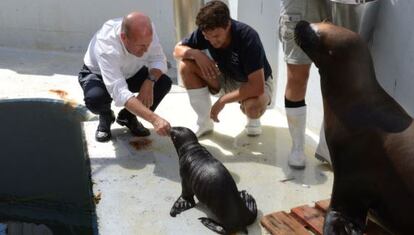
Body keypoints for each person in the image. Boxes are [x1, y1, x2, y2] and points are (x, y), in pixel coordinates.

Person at [174, 0, 274, 137]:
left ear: (228, 25)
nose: (212, 41)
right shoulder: (207, 31)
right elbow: (177, 50)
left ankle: (253, 119)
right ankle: (204, 122)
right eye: (207, 37)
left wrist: (223, 100)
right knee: (186, 64)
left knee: (252, 107)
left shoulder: (248, 37)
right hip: (226, 76)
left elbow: (257, 86)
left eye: (216, 36)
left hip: (254, 83)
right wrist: (196, 54)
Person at [78, 12, 172, 142]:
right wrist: (154, 119)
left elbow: (158, 59)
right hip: (98, 74)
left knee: (163, 83)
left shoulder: (146, 31)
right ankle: (105, 115)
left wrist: (149, 82)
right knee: (95, 100)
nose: (146, 50)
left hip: (132, 71)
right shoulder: (107, 46)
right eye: (141, 46)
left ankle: (128, 116)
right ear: (123, 37)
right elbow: (120, 92)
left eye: (148, 44)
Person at [279, 0, 331, 168]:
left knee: (337, 78)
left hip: (338, 7)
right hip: (301, 9)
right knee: (297, 80)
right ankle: (297, 148)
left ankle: (328, 147)